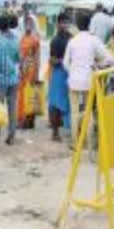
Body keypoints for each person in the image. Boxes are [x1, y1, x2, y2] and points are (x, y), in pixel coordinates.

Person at [64, 12, 114, 148]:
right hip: (88, 79)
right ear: (89, 25)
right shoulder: (94, 40)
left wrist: (73, 70)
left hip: (74, 80)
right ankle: (89, 142)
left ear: (78, 25)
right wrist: (98, 66)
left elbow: (65, 63)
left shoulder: (72, 41)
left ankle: (75, 142)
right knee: (88, 111)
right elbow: (108, 58)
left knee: (74, 112)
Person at [0, 15, 20, 147]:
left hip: (0, 80)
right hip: (13, 78)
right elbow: (18, 59)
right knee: (12, 108)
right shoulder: (15, 41)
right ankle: (11, 136)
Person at [48, 12, 72, 142]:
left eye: (67, 22)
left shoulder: (72, 38)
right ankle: (55, 132)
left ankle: (68, 129)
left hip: (69, 74)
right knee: (55, 104)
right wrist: (62, 61)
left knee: (68, 103)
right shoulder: (55, 40)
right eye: (63, 22)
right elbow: (51, 60)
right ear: (58, 24)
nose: (65, 25)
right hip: (58, 74)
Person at [17, 16, 41, 129]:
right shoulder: (21, 39)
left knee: (31, 93)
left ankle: (28, 120)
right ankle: (22, 119)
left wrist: (36, 74)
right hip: (23, 70)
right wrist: (20, 68)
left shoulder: (35, 40)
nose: (28, 26)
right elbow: (19, 56)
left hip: (31, 69)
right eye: (26, 23)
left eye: (30, 24)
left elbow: (37, 57)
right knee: (22, 95)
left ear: (33, 25)